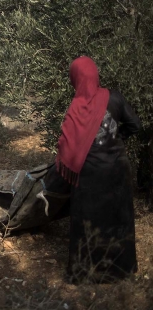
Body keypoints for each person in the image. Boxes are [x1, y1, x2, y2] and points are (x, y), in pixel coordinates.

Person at [54, 56, 141, 283]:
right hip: (117, 172)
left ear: (77, 78)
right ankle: (121, 270)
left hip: (88, 175)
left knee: (87, 223)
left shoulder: (75, 107)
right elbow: (136, 125)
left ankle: (84, 274)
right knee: (118, 220)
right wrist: (117, 139)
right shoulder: (115, 98)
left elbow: (66, 144)